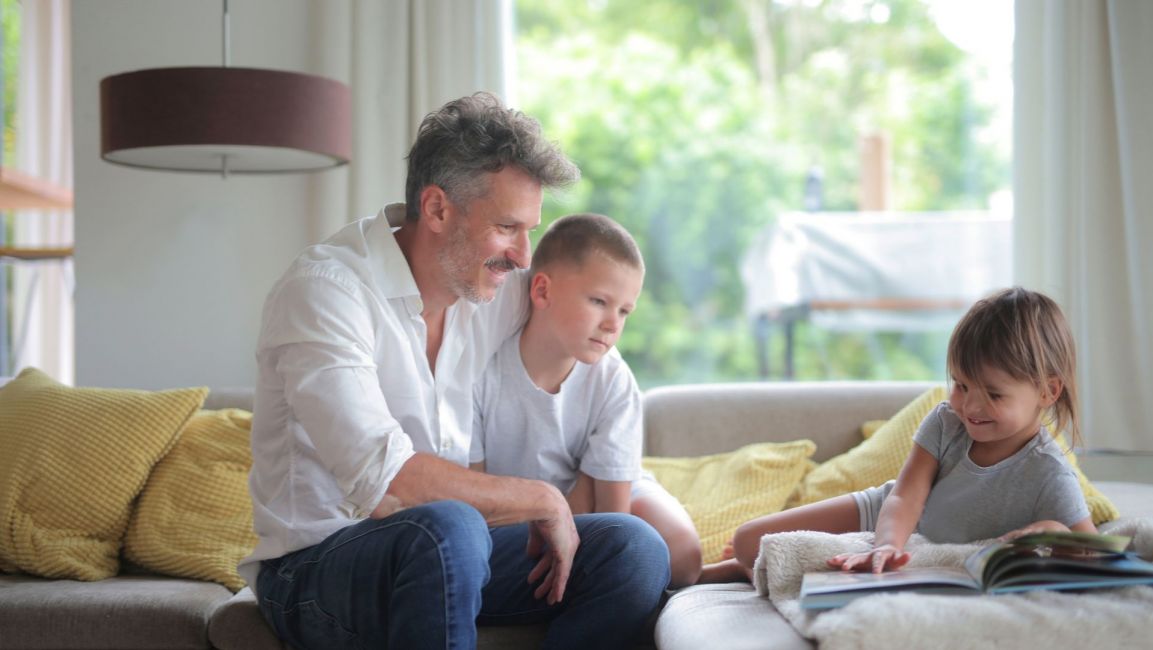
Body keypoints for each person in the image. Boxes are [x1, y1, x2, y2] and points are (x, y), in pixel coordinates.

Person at [241, 93, 671, 650]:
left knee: (632, 546)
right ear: (438, 209)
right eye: (507, 227)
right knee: (451, 525)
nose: (523, 256)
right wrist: (544, 498)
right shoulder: (326, 292)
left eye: (530, 231)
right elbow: (384, 477)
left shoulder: (490, 287)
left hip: (452, 551)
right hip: (316, 568)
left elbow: (585, 315)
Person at [699, 287, 1096, 583]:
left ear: (1047, 391)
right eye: (960, 385)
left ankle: (741, 571)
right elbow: (906, 494)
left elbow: (1095, 554)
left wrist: (1054, 533)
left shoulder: (1049, 474)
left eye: (993, 394)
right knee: (750, 538)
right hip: (883, 516)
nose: (970, 407)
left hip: (932, 553)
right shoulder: (945, 422)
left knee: (766, 554)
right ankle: (738, 569)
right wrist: (886, 544)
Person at [470, 213, 703, 587]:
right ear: (542, 291)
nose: (613, 323)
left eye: (624, 311)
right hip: (512, 509)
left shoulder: (613, 379)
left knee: (682, 554)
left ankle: (707, 577)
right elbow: (475, 491)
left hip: (598, 495)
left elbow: (614, 516)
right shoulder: (484, 371)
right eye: (599, 301)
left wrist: (599, 556)